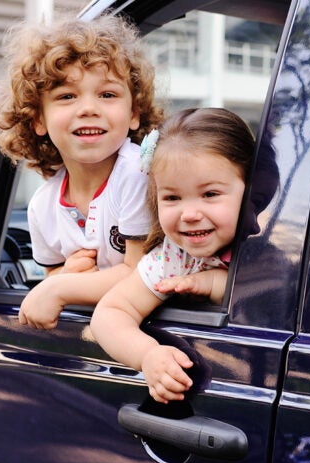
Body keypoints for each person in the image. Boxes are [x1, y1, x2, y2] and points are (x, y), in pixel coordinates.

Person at [0, 12, 163, 329]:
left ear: (134, 112)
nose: (88, 108)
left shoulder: (137, 173)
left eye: (107, 94)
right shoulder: (43, 205)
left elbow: (137, 273)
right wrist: (63, 278)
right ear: (38, 120)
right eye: (67, 96)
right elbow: (54, 273)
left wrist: (60, 288)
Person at [90, 108, 255, 403]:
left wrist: (215, 284)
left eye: (210, 194)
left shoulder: (274, 245)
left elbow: (273, 299)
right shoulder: (174, 258)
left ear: (253, 190)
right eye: (172, 198)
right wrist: (147, 354)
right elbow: (110, 314)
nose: (189, 214)